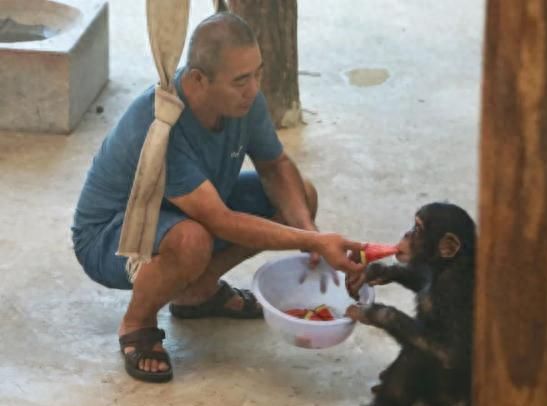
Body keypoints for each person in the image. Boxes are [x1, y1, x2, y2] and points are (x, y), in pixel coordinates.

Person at [71, 11, 365, 383]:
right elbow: (219, 221)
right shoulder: (162, 124)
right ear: (197, 80)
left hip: (182, 215)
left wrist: (309, 234)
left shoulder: (245, 99)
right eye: (241, 79)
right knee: (192, 240)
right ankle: (137, 323)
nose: (254, 89)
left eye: (257, 73)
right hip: (112, 235)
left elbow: (275, 166)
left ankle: (196, 291)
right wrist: (314, 240)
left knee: (300, 196)